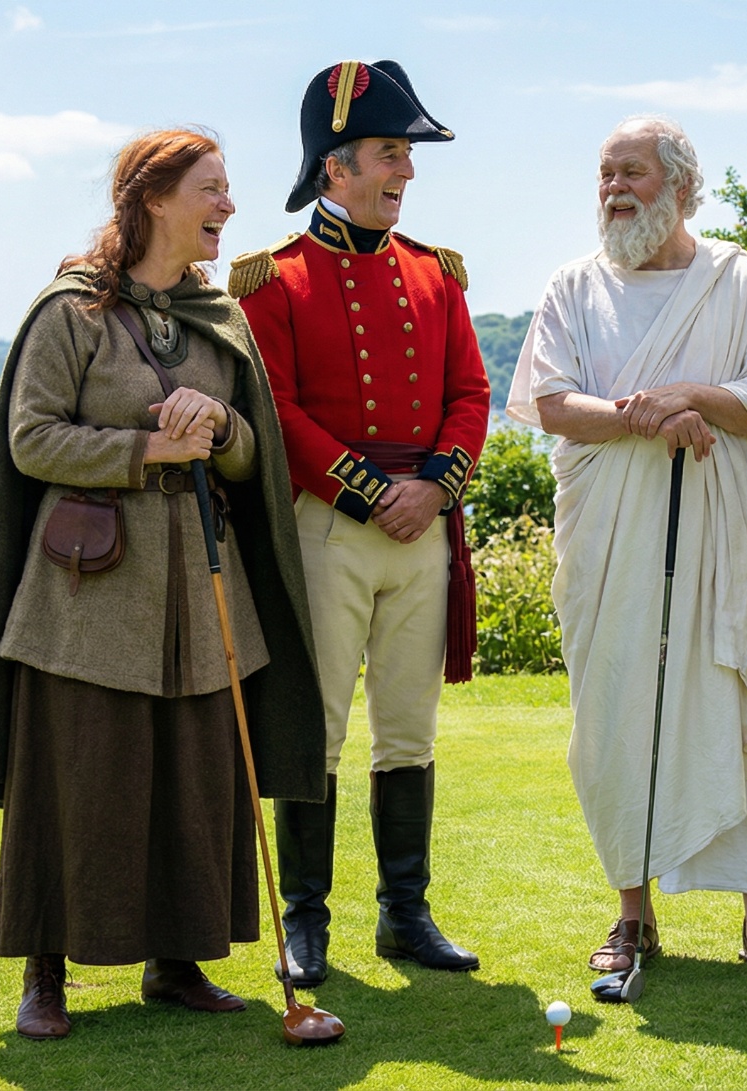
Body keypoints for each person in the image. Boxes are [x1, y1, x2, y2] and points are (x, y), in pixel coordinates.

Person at [0, 128, 326, 1040]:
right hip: (86, 595)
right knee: (77, 779)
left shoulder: (218, 319)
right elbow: (32, 439)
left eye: (229, 189)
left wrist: (221, 425)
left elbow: (249, 452)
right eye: (213, 189)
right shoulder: (70, 312)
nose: (230, 206)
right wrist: (148, 446)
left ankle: (178, 962)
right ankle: (45, 974)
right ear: (154, 199)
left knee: (191, 777)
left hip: (198, 589)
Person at [509, 115, 747, 982]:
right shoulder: (574, 285)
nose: (614, 189)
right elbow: (554, 404)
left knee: (735, 693)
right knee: (614, 711)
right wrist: (654, 415)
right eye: (605, 174)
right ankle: (631, 915)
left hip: (716, 535)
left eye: (632, 172)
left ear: (681, 184)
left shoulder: (736, 277)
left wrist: (684, 394)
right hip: (610, 542)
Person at [231, 60, 489, 988]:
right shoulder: (273, 280)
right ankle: (305, 921)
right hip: (330, 527)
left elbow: (471, 392)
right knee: (322, 728)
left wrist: (434, 488)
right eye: (390, 154)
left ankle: (404, 913)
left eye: (406, 157)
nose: (406, 172)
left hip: (422, 527)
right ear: (334, 166)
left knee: (410, 731)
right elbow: (277, 407)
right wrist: (366, 488)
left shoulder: (435, 272)